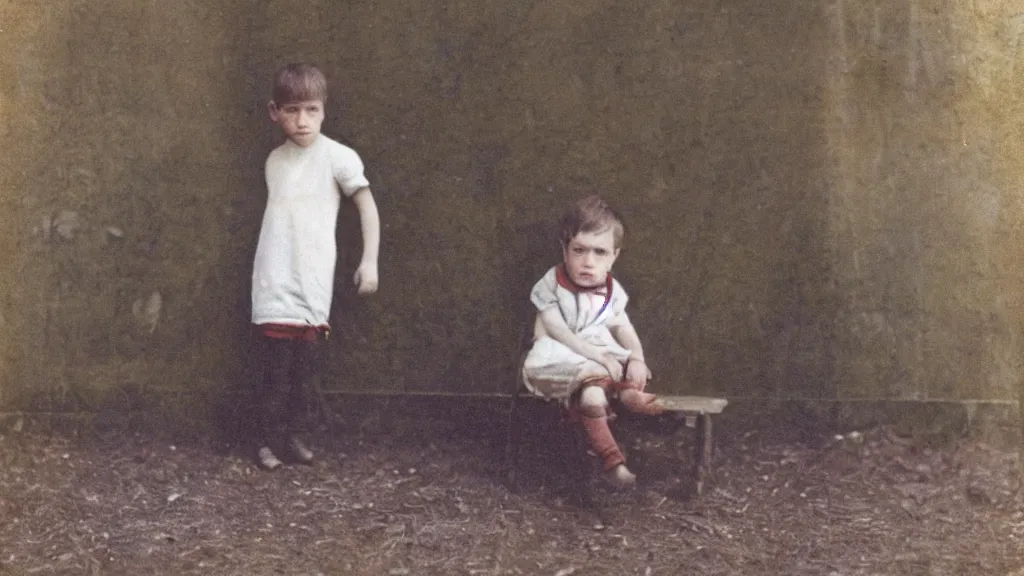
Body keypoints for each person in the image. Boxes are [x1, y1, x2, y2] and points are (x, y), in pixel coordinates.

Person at [249, 63, 380, 470]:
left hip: (312, 280)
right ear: (275, 112)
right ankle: (264, 443)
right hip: (274, 277)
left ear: (323, 111)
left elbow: (367, 207)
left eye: (310, 110)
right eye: (291, 111)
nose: (301, 121)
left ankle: (292, 438)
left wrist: (369, 261)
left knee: (303, 376)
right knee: (273, 372)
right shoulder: (274, 160)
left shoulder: (339, 157)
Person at [521, 195, 663, 489]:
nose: (588, 262)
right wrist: (599, 358)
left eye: (600, 252)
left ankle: (625, 403)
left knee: (602, 387)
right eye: (579, 250)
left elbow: (624, 327)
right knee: (593, 385)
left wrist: (637, 357)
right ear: (564, 249)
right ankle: (614, 453)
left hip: (598, 359)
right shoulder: (551, 284)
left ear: (614, 256)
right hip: (562, 353)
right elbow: (559, 332)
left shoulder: (611, 290)